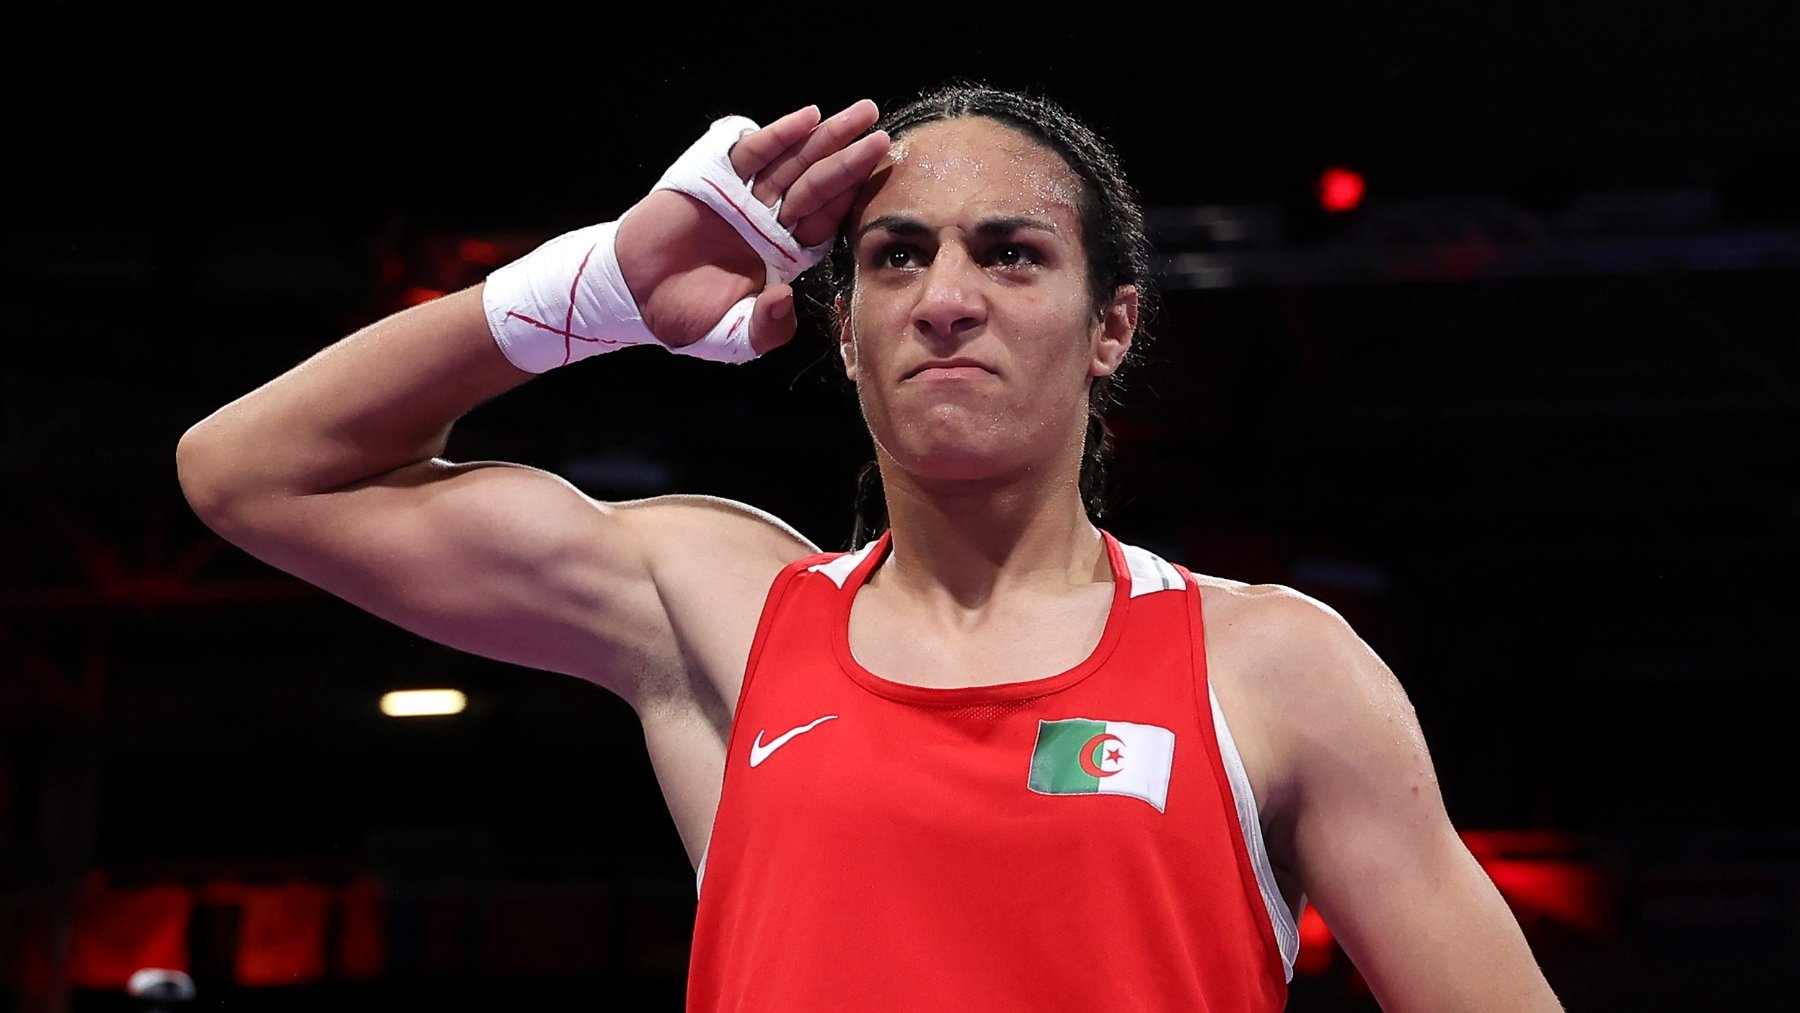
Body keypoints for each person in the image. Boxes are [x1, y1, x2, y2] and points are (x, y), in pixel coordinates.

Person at [177, 84, 1564, 1011]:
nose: (946, 296)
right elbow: (248, 475)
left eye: (1010, 253)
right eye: (895, 256)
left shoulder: (1269, 668)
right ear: (843, 330)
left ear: (1112, 327)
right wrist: (593, 293)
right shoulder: (727, 615)